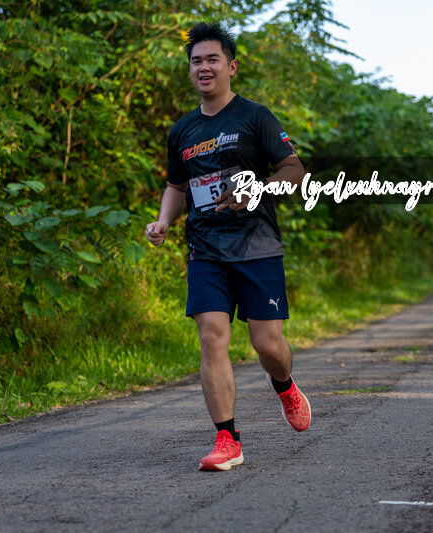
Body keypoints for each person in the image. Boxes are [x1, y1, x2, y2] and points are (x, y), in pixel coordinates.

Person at [144, 22, 310, 472]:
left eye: (212, 59)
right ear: (190, 69)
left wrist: (255, 188)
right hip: (206, 249)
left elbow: (294, 172)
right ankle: (227, 439)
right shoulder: (182, 131)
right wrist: (164, 221)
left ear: (231, 67)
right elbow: (176, 186)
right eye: (196, 61)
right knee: (211, 335)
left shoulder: (255, 117)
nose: (204, 67)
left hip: (257, 246)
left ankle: (284, 384)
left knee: (268, 345)